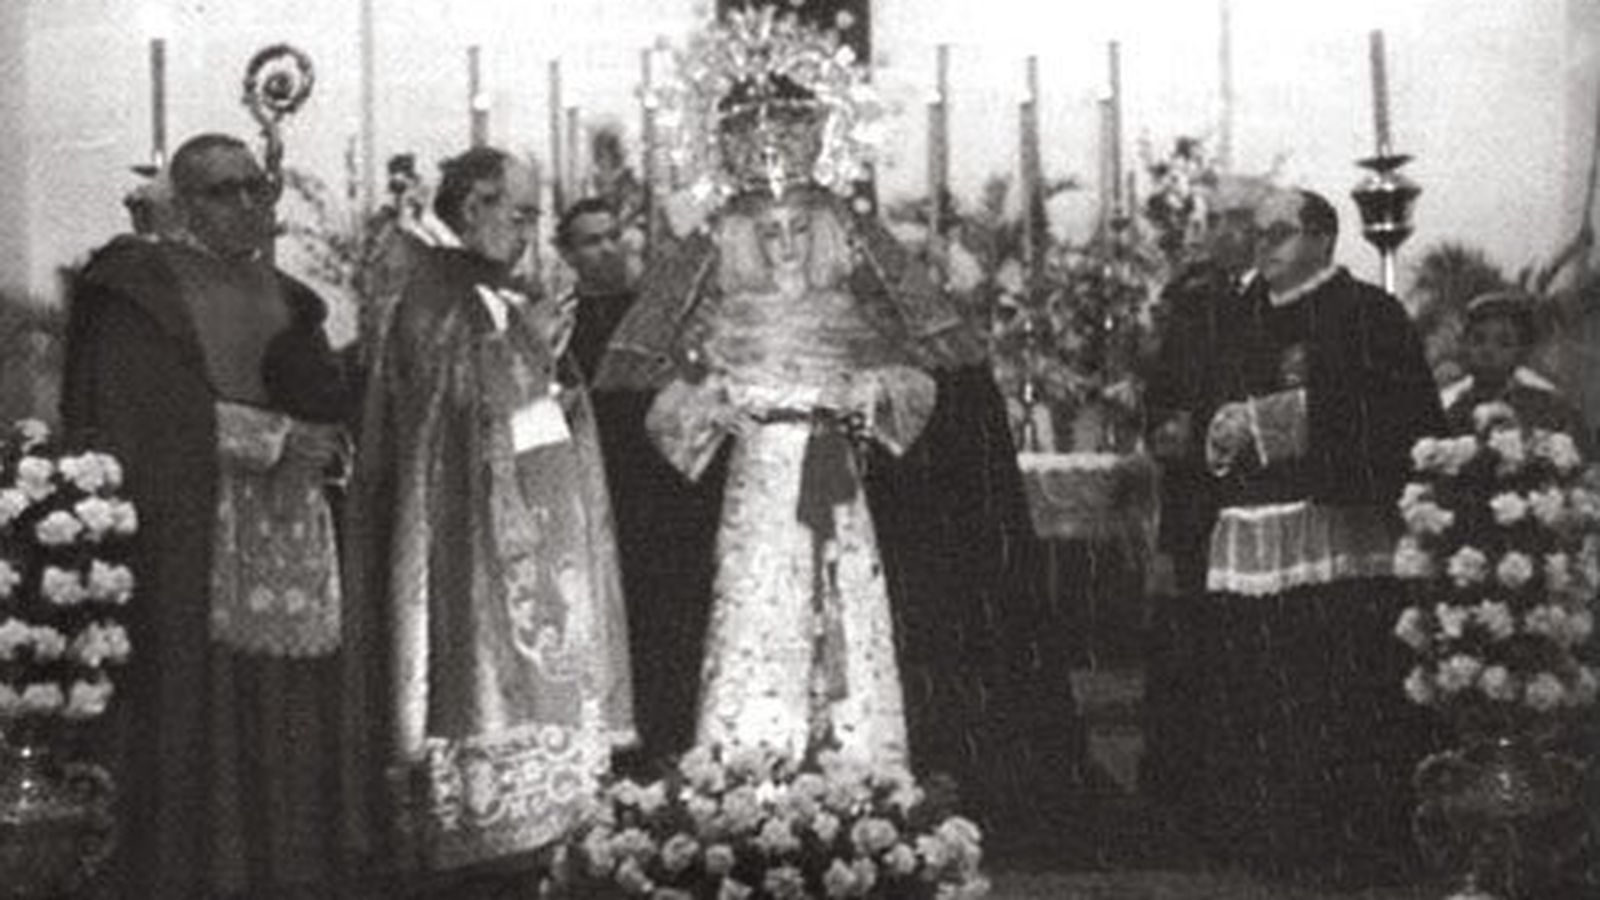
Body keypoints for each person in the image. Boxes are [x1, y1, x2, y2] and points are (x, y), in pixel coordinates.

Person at [597, 13, 1081, 852]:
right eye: (766, 230)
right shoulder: (712, 298)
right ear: (741, 236)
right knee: (752, 611)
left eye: (798, 228)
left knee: (844, 609)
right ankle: (742, 766)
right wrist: (709, 408)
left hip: (835, 477)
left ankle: (857, 761)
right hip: (752, 486)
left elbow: (934, 380)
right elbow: (645, 396)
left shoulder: (861, 297)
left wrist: (871, 395)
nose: (784, 241)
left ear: (822, 231)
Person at [61, 133, 355, 899]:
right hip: (189, 535)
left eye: (258, 188)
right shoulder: (136, 286)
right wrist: (274, 441)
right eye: (227, 190)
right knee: (202, 712)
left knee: (284, 715)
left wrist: (328, 445)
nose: (251, 204)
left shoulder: (288, 296)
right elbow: (142, 412)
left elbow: (322, 394)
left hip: (292, 531)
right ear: (184, 202)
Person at [343, 146, 634, 894]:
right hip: (468, 545)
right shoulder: (431, 290)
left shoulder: (494, 289)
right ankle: (480, 836)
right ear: (472, 205)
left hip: (534, 523)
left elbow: (531, 398)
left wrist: (556, 382)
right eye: (521, 213)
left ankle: (545, 834)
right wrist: (531, 349)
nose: (530, 231)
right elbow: (448, 411)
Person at [1185, 187, 1445, 887]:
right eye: (1257, 233)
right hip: (1250, 539)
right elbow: (1203, 402)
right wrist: (1219, 431)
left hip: (1340, 544)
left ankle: (1347, 844)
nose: (1261, 246)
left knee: (1335, 700)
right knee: (1261, 697)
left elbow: (1404, 416)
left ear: (1324, 239)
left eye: (1279, 232)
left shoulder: (1368, 314)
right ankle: (1270, 839)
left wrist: (1279, 417)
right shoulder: (1235, 315)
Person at [1441, 289, 1588, 442]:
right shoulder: (1451, 412)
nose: (1488, 350)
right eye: (1478, 340)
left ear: (1520, 352)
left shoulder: (1549, 408)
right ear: (1465, 346)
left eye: (1504, 343)